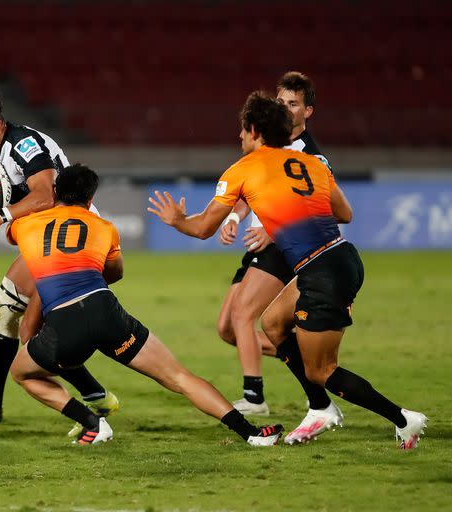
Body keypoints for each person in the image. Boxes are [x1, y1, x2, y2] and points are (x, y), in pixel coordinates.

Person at [148, 91, 427, 449]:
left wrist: (176, 220)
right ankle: (320, 407)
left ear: (253, 130)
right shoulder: (313, 164)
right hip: (339, 258)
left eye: (241, 131)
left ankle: (403, 419)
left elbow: (203, 228)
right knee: (274, 322)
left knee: (321, 370)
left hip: (323, 272)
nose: (239, 137)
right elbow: (344, 213)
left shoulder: (243, 169)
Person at [8, 164, 283, 446]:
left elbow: (16, 235)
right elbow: (116, 273)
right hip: (105, 311)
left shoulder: (26, 226)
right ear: (90, 200)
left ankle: (91, 421)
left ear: (55, 193)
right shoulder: (105, 229)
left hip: (63, 322)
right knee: (179, 377)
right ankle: (250, 433)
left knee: (22, 372)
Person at [0, 87, 118, 431]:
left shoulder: (24, 145)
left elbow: (46, 194)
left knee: (32, 324)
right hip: (51, 240)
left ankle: (92, 402)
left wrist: (1, 216)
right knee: (7, 310)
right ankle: (87, 396)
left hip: (73, 238)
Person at [216, 71, 332, 418]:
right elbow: (252, 189)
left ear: (308, 112)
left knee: (242, 317)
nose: (285, 108)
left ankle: (255, 397)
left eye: (293, 104)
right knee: (227, 329)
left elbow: (324, 209)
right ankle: (314, 365)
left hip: (282, 247)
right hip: (257, 246)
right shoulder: (270, 146)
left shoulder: (312, 158)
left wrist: (274, 231)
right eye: (281, 102)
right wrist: (235, 217)